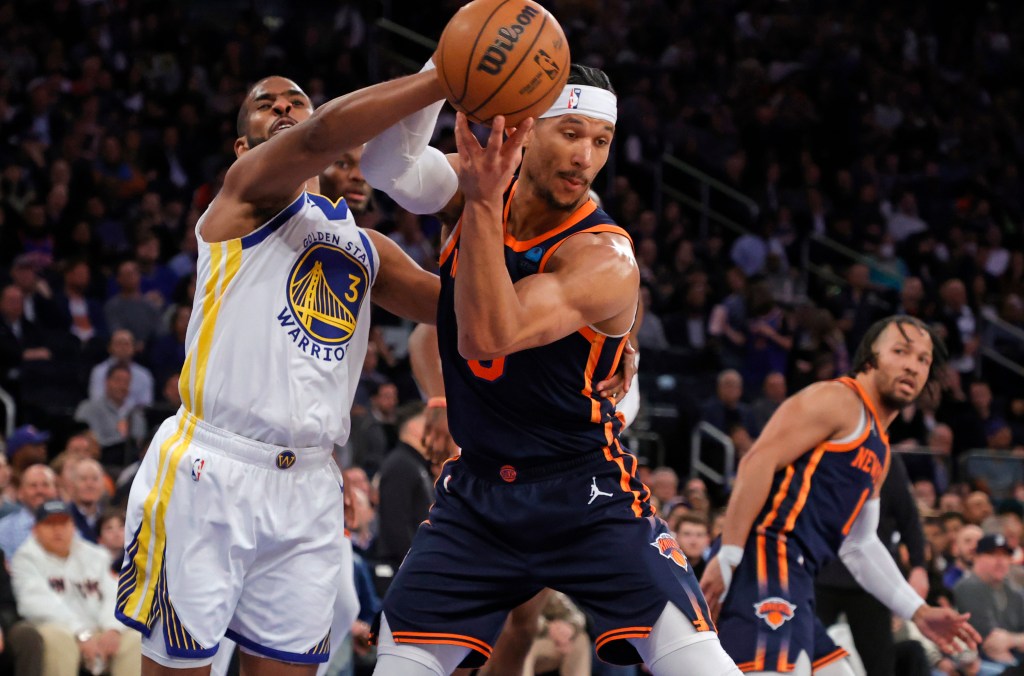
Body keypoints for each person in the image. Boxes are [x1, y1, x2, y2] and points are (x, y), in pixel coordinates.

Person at [363, 64, 738, 675]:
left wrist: (480, 203)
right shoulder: (479, 187)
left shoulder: (604, 256)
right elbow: (387, 168)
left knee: (698, 665)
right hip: (478, 493)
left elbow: (490, 335)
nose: (585, 156)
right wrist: (442, 74)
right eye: (570, 132)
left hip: (585, 490)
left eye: (600, 142)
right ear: (526, 129)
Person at [114, 67, 448, 676]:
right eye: (266, 106)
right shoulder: (243, 194)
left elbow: (467, 314)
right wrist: (440, 77)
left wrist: (608, 324)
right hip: (210, 470)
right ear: (244, 148)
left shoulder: (368, 247)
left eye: (297, 100)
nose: (285, 107)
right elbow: (320, 137)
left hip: (309, 484)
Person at [700, 316, 980, 675]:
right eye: (901, 351)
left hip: (798, 576)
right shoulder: (838, 398)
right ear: (870, 358)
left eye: (923, 359)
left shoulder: (879, 450)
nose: (913, 365)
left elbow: (860, 545)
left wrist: (918, 611)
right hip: (767, 556)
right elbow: (758, 460)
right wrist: (729, 556)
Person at [11, 500, 140, 676]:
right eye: (50, 524)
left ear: (73, 527)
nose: (58, 530)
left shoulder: (95, 554)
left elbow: (116, 595)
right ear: (35, 530)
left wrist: (113, 628)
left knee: (134, 639)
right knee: (59, 639)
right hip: (57, 629)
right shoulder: (25, 558)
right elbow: (35, 603)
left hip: (98, 630)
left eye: (63, 523)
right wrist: (80, 632)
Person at [0, 464, 58, 559]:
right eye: (33, 485)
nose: (40, 490)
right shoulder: (3, 529)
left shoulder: (69, 526)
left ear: (55, 491)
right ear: (20, 493)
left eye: (45, 485)